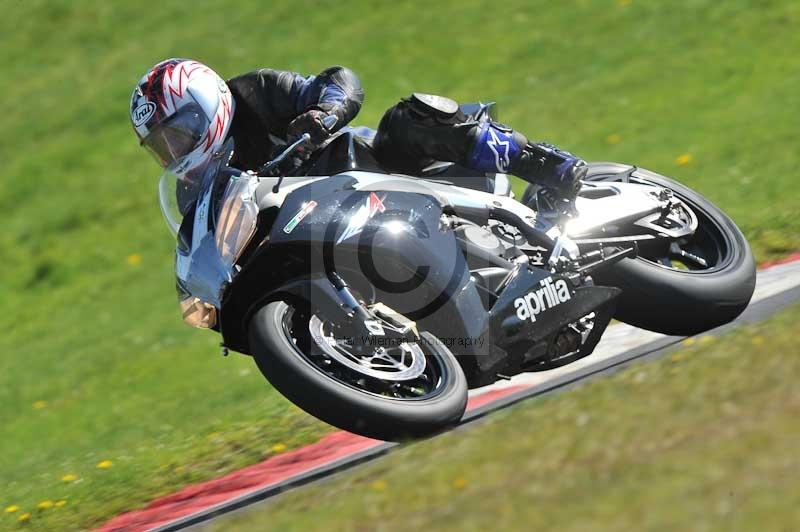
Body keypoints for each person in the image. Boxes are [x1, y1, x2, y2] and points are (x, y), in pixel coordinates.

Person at [129, 58, 586, 205]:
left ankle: (547, 165)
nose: (175, 150)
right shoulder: (194, 190)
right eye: (161, 146)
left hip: (376, 170)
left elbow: (339, 82)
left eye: (178, 131)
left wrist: (323, 115)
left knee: (406, 120)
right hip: (317, 230)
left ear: (206, 103)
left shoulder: (257, 92)